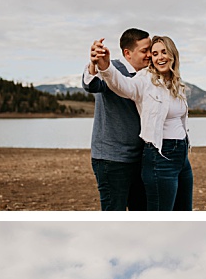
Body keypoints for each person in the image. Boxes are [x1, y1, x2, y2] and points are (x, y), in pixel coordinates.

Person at [91, 34, 192, 210]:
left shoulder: (177, 83)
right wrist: (105, 65)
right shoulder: (144, 79)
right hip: (160, 157)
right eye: (155, 53)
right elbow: (121, 84)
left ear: (173, 55)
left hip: (182, 157)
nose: (160, 57)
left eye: (164, 52)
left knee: (184, 211)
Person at [82, 28, 150, 210]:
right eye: (145, 50)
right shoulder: (110, 69)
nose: (149, 55)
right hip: (112, 160)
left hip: (140, 159)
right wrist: (94, 64)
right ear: (128, 53)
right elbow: (91, 84)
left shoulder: (147, 75)